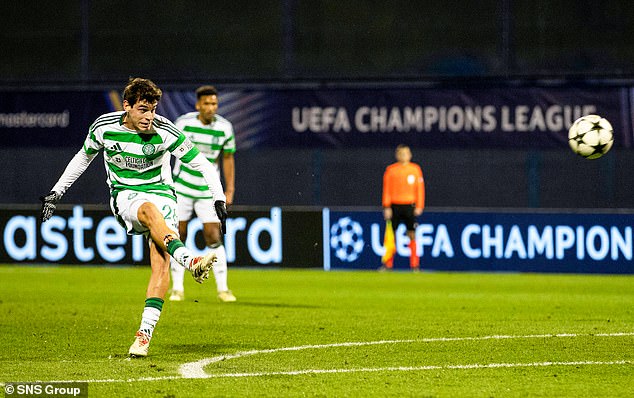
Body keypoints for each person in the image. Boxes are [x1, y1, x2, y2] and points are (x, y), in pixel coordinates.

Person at [39, 78, 228, 357]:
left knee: (161, 264)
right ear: (126, 106)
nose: (149, 117)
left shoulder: (166, 131)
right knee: (149, 211)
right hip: (126, 195)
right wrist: (57, 192)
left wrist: (218, 197)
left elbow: (202, 163)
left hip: (164, 194)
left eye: (152, 109)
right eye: (143, 109)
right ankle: (190, 260)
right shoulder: (104, 127)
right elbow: (83, 158)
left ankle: (144, 335)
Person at [168, 85, 237, 303]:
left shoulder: (225, 128)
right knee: (178, 235)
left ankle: (223, 289)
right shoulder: (184, 124)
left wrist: (229, 189)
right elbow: (168, 151)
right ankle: (177, 288)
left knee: (214, 236)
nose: (211, 107)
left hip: (208, 190)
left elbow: (227, 158)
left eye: (214, 103)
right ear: (198, 105)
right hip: (182, 188)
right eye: (207, 103)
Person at [381, 144, 425, 271]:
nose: (403, 156)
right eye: (401, 153)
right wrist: (387, 206)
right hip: (395, 205)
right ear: (397, 155)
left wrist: (419, 205)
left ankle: (414, 265)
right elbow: (387, 189)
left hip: (409, 205)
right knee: (390, 235)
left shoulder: (415, 170)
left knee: (411, 234)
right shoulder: (391, 170)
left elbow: (420, 189)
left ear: (410, 155)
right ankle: (388, 264)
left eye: (406, 153)